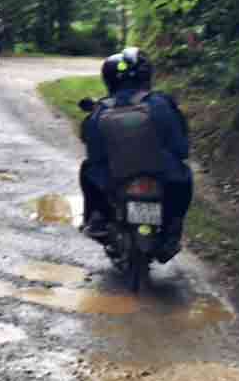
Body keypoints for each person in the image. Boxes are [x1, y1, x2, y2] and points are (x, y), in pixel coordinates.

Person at [78, 47, 193, 258]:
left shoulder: (101, 110)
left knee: (88, 170)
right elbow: (180, 147)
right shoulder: (161, 103)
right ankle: (172, 229)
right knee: (184, 178)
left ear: (108, 79)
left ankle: (97, 219)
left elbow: (93, 150)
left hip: (115, 176)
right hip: (163, 175)